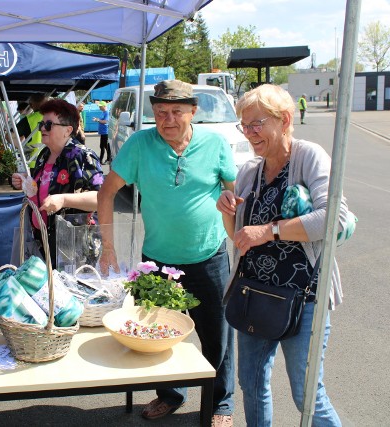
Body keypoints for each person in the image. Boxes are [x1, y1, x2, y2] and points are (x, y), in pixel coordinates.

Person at [97, 79, 236, 426]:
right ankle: (170, 395)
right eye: (160, 112)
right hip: (157, 260)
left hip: (210, 257)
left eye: (176, 111)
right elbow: (106, 192)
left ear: (193, 111)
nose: (168, 119)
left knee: (217, 337)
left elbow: (235, 195)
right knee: (154, 335)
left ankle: (221, 405)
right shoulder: (139, 144)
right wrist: (108, 246)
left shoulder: (216, 144)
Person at [216, 84, 347, 427]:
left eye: (256, 124)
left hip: (303, 299)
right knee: (252, 384)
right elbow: (238, 239)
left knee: (306, 394)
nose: (249, 133)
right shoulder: (249, 171)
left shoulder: (309, 157)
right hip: (255, 296)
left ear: (285, 119)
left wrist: (270, 230)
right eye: (244, 126)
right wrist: (227, 211)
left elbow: (334, 219)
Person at [11, 99, 104, 265]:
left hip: (73, 249)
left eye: (48, 124)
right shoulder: (44, 155)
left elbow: (101, 199)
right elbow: (41, 189)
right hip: (44, 244)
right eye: (41, 124)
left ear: (67, 130)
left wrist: (63, 199)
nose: (42, 128)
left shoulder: (82, 155)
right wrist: (26, 182)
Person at [17, 93, 48, 168]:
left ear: (31, 105)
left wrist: (20, 148)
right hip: (51, 162)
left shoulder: (27, 120)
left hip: (33, 163)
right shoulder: (56, 117)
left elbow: (9, 136)